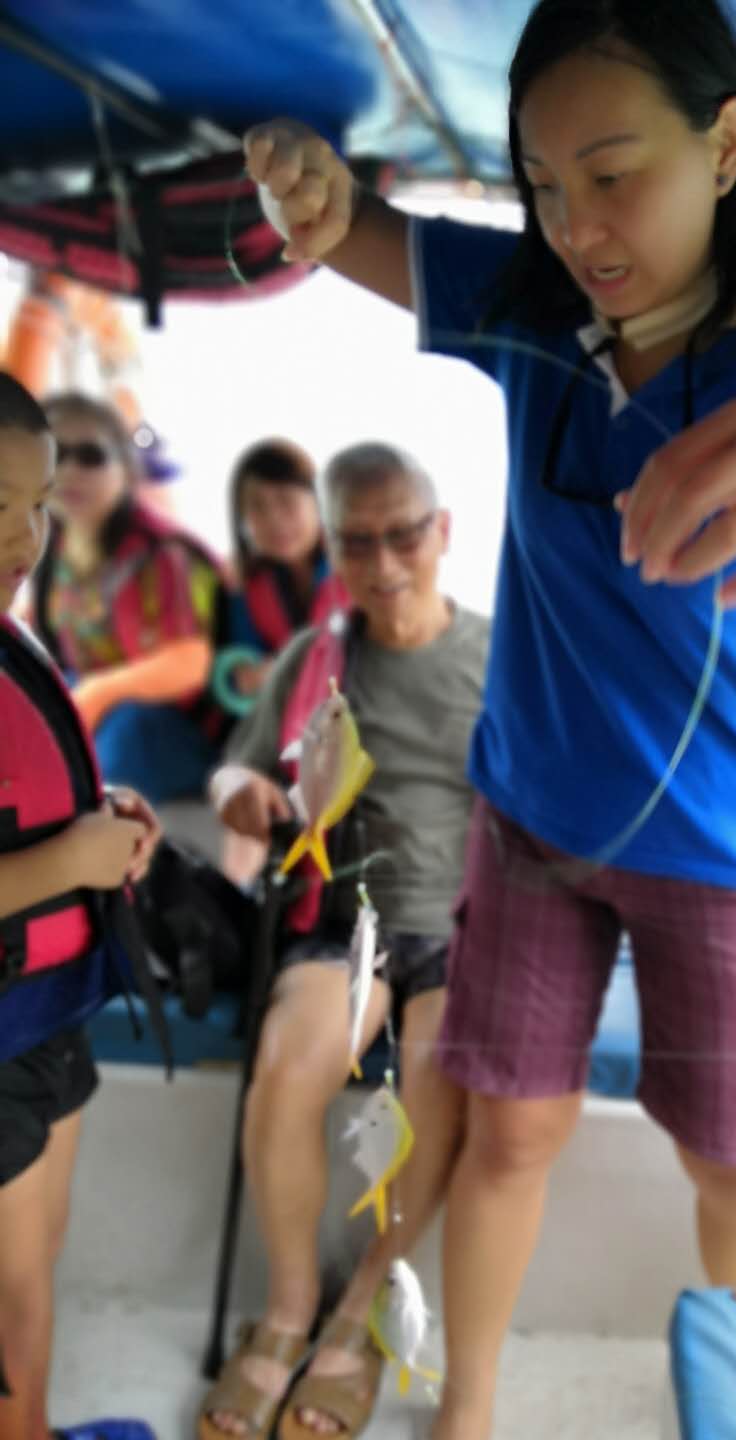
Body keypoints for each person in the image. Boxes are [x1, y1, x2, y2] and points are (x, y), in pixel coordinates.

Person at [244, 2, 736, 1434]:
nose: (578, 227)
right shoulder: (529, 305)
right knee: (508, 1137)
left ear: (724, 144)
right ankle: (468, 1410)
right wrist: (305, 180)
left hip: (727, 854)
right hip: (529, 825)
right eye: (544, 184)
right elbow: (358, 229)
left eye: (613, 173)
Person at [199, 443, 489, 1440]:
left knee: (441, 1093)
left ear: (442, 531)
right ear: (332, 548)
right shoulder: (315, 659)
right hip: (341, 921)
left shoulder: (501, 659)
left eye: (404, 534)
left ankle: (359, 1312)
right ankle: (286, 1311)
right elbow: (233, 770)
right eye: (357, 542)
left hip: (461, 929)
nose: (385, 562)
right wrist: (244, 794)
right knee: (286, 1073)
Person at [0, 372, 162, 1440]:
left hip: (48, 1011)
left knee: (40, 1248)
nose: (26, 536)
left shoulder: (11, 635)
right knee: (7, 1289)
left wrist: (97, 825)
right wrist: (73, 858)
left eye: (39, 502)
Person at [29, 392, 227, 806]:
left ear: (125, 467)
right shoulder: (53, 546)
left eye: (91, 456)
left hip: (171, 727)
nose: (69, 471)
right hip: (96, 702)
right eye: (55, 454)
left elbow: (190, 662)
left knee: (120, 734)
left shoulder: (163, 553)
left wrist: (97, 693)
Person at [221, 437, 347, 707]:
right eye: (257, 506)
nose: (274, 520)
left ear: (319, 502)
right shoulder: (245, 588)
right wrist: (244, 678)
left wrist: (282, 671)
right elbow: (239, 661)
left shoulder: (356, 568)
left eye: (286, 502)